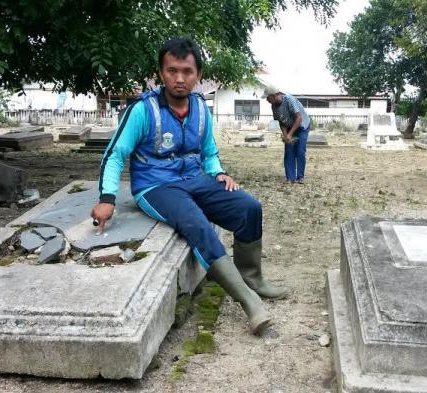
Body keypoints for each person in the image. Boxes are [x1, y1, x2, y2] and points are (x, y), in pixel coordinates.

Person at [90, 37, 287, 334]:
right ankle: (249, 302)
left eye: (186, 71)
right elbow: (115, 154)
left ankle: (252, 277)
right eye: (172, 71)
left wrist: (219, 173)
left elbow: (208, 152)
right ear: (161, 73)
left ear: (198, 76)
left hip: (195, 179)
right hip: (155, 187)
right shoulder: (143, 110)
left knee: (249, 208)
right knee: (195, 222)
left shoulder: (199, 108)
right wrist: (107, 198)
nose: (179, 78)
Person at [263, 86, 311, 183]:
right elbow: (282, 122)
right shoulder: (273, 106)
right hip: (289, 126)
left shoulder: (290, 100)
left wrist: (290, 134)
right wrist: (286, 135)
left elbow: (299, 118)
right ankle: (290, 178)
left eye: (268, 97)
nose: (267, 100)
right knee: (289, 151)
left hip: (302, 126)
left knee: (300, 151)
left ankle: (300, 177)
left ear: (275, 95)